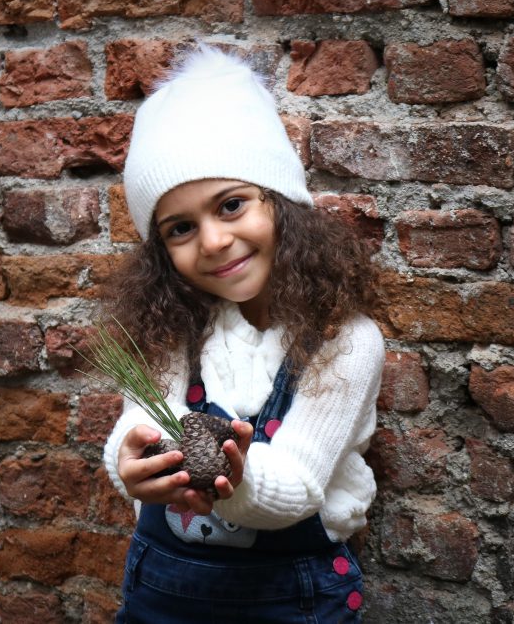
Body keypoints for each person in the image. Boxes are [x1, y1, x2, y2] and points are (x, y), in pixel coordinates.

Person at [101, 44, 384, 623]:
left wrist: (237, 476)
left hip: (291, 598)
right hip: (164, 595)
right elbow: (141, 417)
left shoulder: (346, 340)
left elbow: (301, 486)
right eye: (181, 228)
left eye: (231, 205)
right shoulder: (178, 329)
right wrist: (127, 460)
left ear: (281, 202)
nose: (212, 242)